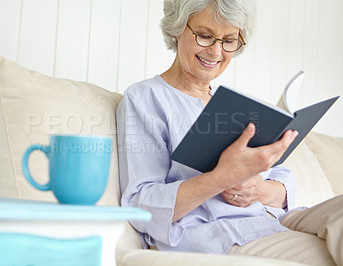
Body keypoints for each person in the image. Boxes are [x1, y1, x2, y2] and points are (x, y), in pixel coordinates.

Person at [116, 0, 343, 265]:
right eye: (205, 36)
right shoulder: (146, 98)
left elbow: (280, 176)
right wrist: (222, 178)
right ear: (178, 29)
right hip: (222, 232)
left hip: (275, 219)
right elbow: (141, 204)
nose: (216, 51)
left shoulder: (233, 104)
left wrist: (259, 190)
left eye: (229, 40)